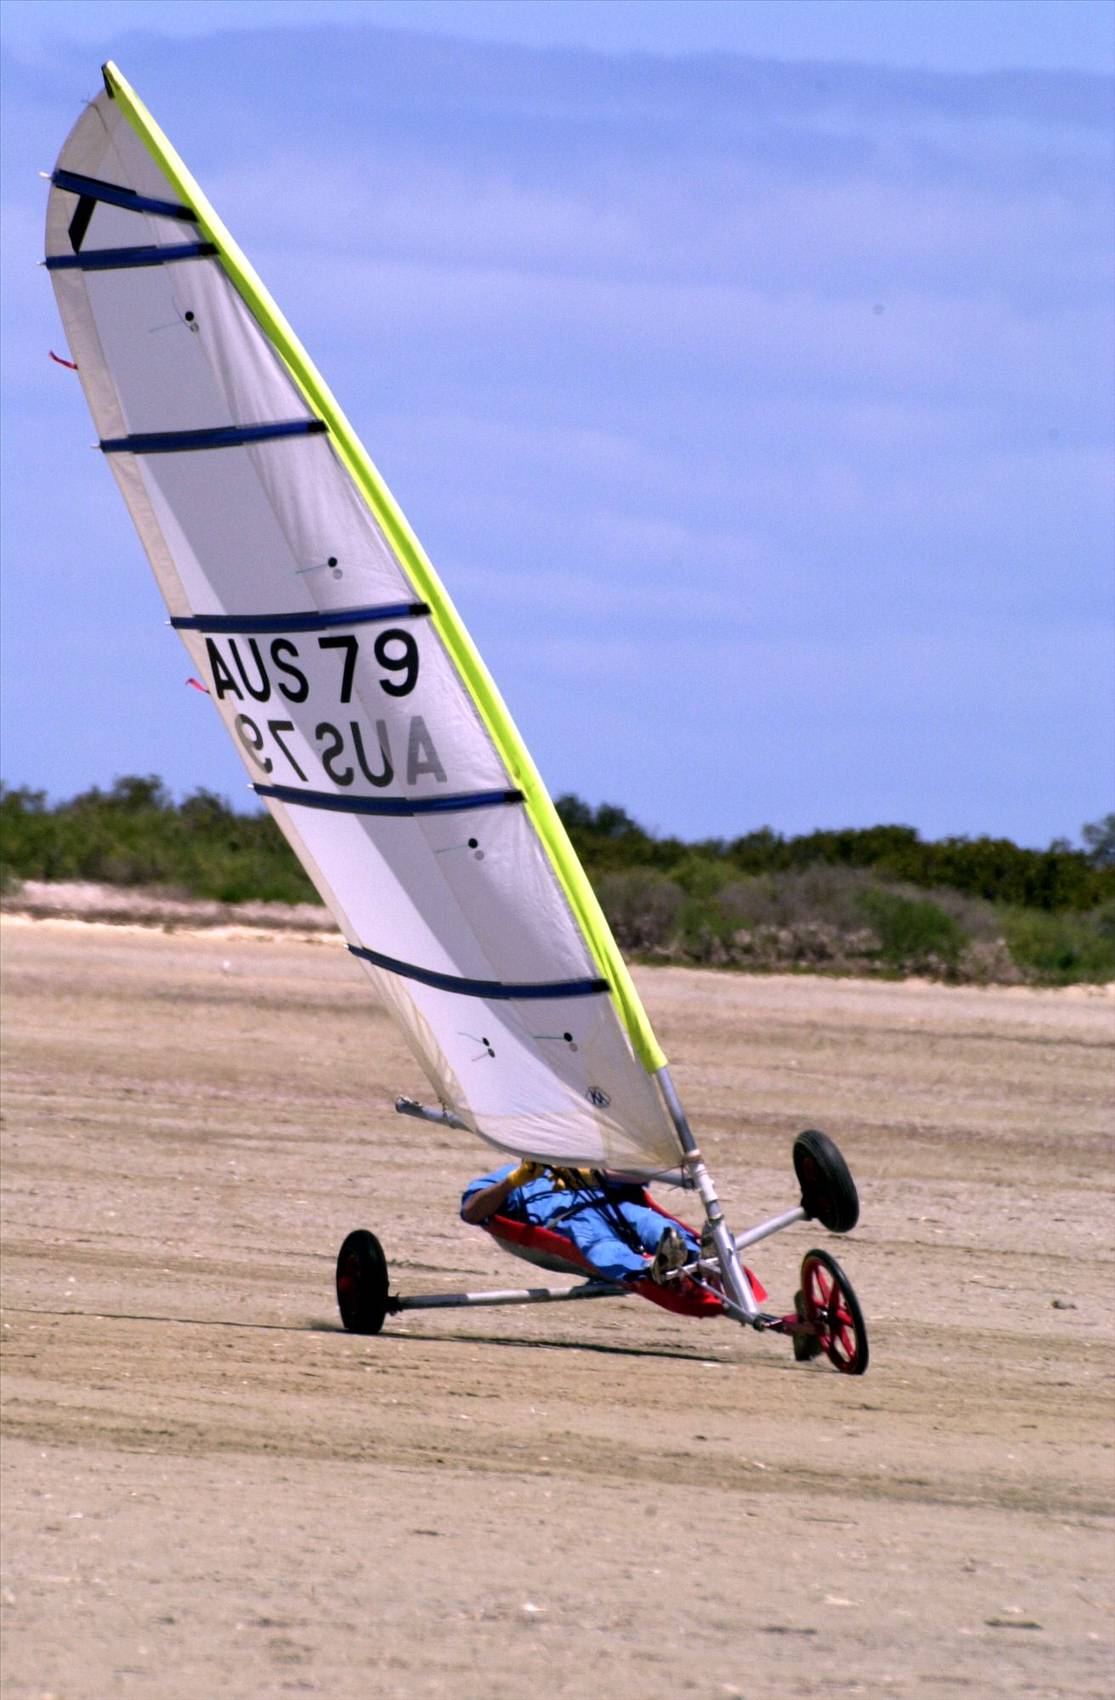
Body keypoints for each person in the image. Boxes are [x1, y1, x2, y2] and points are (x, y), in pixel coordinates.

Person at [460, 1160, 700, 1285]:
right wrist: (513, 1182)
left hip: (615, 1207)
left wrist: (597, 1173)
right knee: (597, 1240)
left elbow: (644, 1174)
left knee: (650, 1221)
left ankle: (694, 1254)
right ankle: (647, 1269)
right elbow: (472, 1212)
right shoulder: (510, 1174)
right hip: (568, 1221)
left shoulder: (586, 1160)